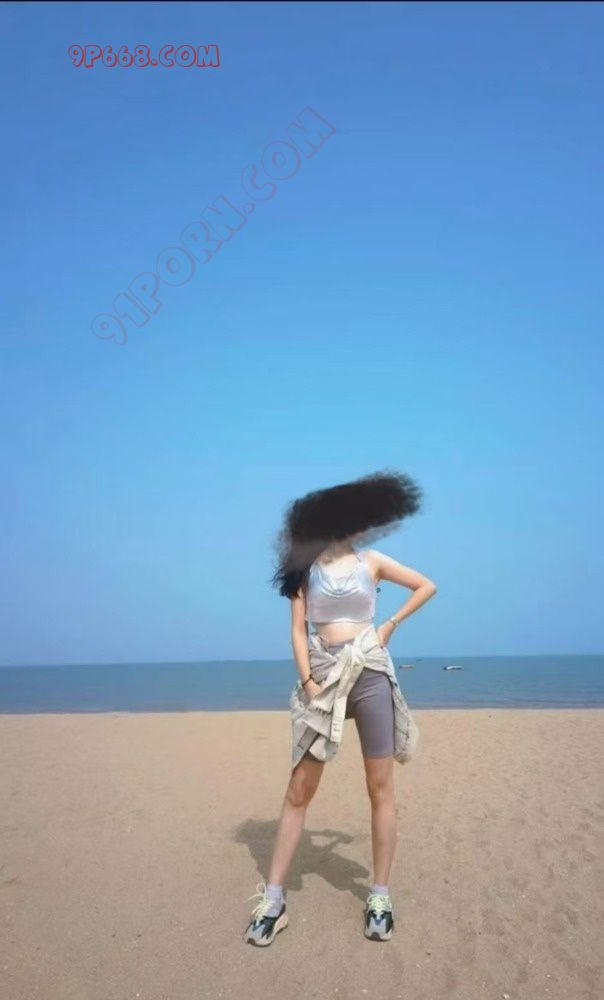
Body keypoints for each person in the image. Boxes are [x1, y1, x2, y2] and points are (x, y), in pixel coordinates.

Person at [243, 471, 436, 946]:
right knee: (299, 788)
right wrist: (309, 681)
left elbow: (426, 586)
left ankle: (380, 896)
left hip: (370, 672)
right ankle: (274, 900)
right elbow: (296, 629)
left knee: (379, 787)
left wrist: (389, 625)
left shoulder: (373, 562)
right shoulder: (304, 568)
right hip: (324, 679)